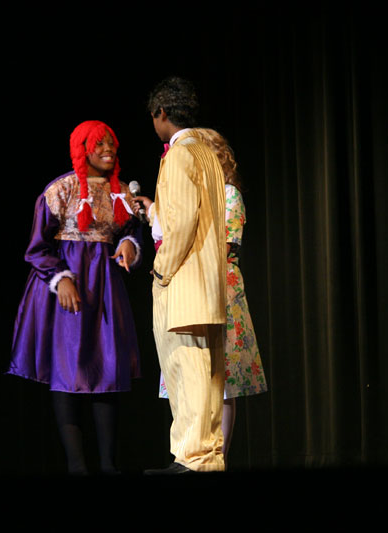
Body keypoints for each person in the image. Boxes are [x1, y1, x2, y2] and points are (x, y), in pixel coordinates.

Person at [8, 120, 142, 475]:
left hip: (105, 287)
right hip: (70, 286)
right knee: (68, 374)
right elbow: (37, 248)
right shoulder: (61, 189)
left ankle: (109, 466)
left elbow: (132, 229)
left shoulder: (121, 193)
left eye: (111, 144)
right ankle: (77, 467)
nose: (108, 151)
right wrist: (60, 278)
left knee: (107, 370)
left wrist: (129, 244)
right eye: (99, 145)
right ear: (83, 150)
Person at [133, 128, 267, 466]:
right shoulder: (196, 195)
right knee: (191, 377)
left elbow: (223, 244)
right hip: (189, 289)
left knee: (220, 381)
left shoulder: (229, 194)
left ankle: (215, 456)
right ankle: (188, 454)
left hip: (219, 291)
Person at [143, 77, 227, 474]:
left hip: (184, 284)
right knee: (207, 379)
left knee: (186, 371)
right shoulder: (207, 151)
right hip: (209, 286)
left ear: (162, 114)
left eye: (153, 117)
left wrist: (161, 271)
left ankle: (192, 460)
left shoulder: (178, 155)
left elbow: (180, 224)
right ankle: (206, 458)